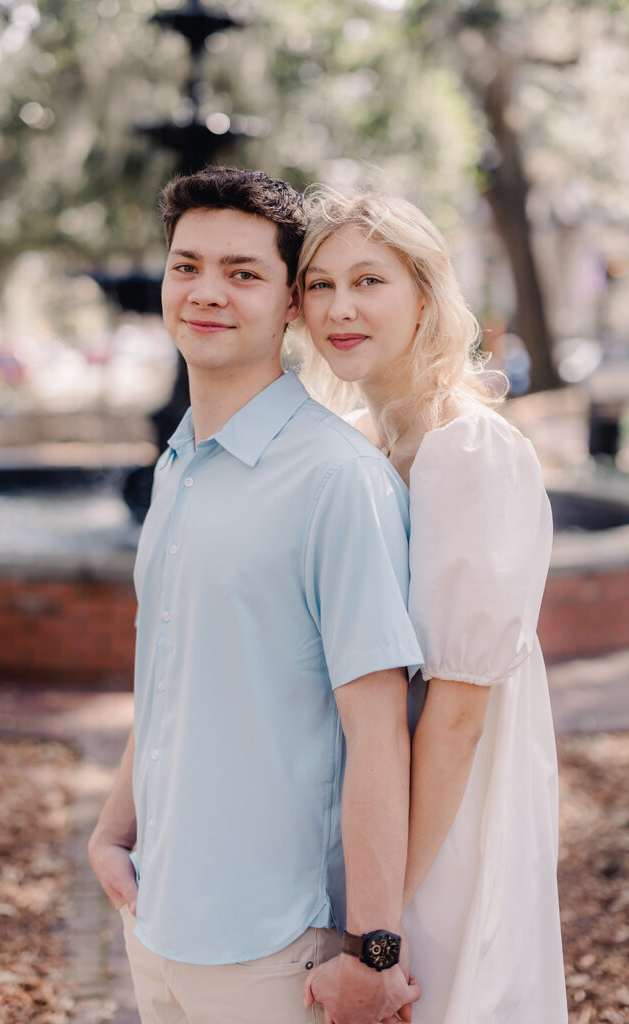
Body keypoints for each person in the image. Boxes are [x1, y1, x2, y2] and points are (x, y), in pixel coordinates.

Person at [88, 167, 424, 1024]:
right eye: (186, 265)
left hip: (272, 950)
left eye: (242, 273)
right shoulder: (177, 467)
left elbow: (378, 731)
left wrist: (372, 953)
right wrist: (111, 829)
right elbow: (169, 671)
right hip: (154, 918)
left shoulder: (335, 481)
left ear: (290, 306)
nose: (205, 293)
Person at [299, 186, 568, 1024]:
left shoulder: (467, 450)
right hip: (388, 808)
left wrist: (379, 928)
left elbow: (455, 715)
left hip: (446, 825)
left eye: (369, 281)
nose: (340, 307)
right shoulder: (360, 438)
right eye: (317, 284)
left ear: (424, 293)